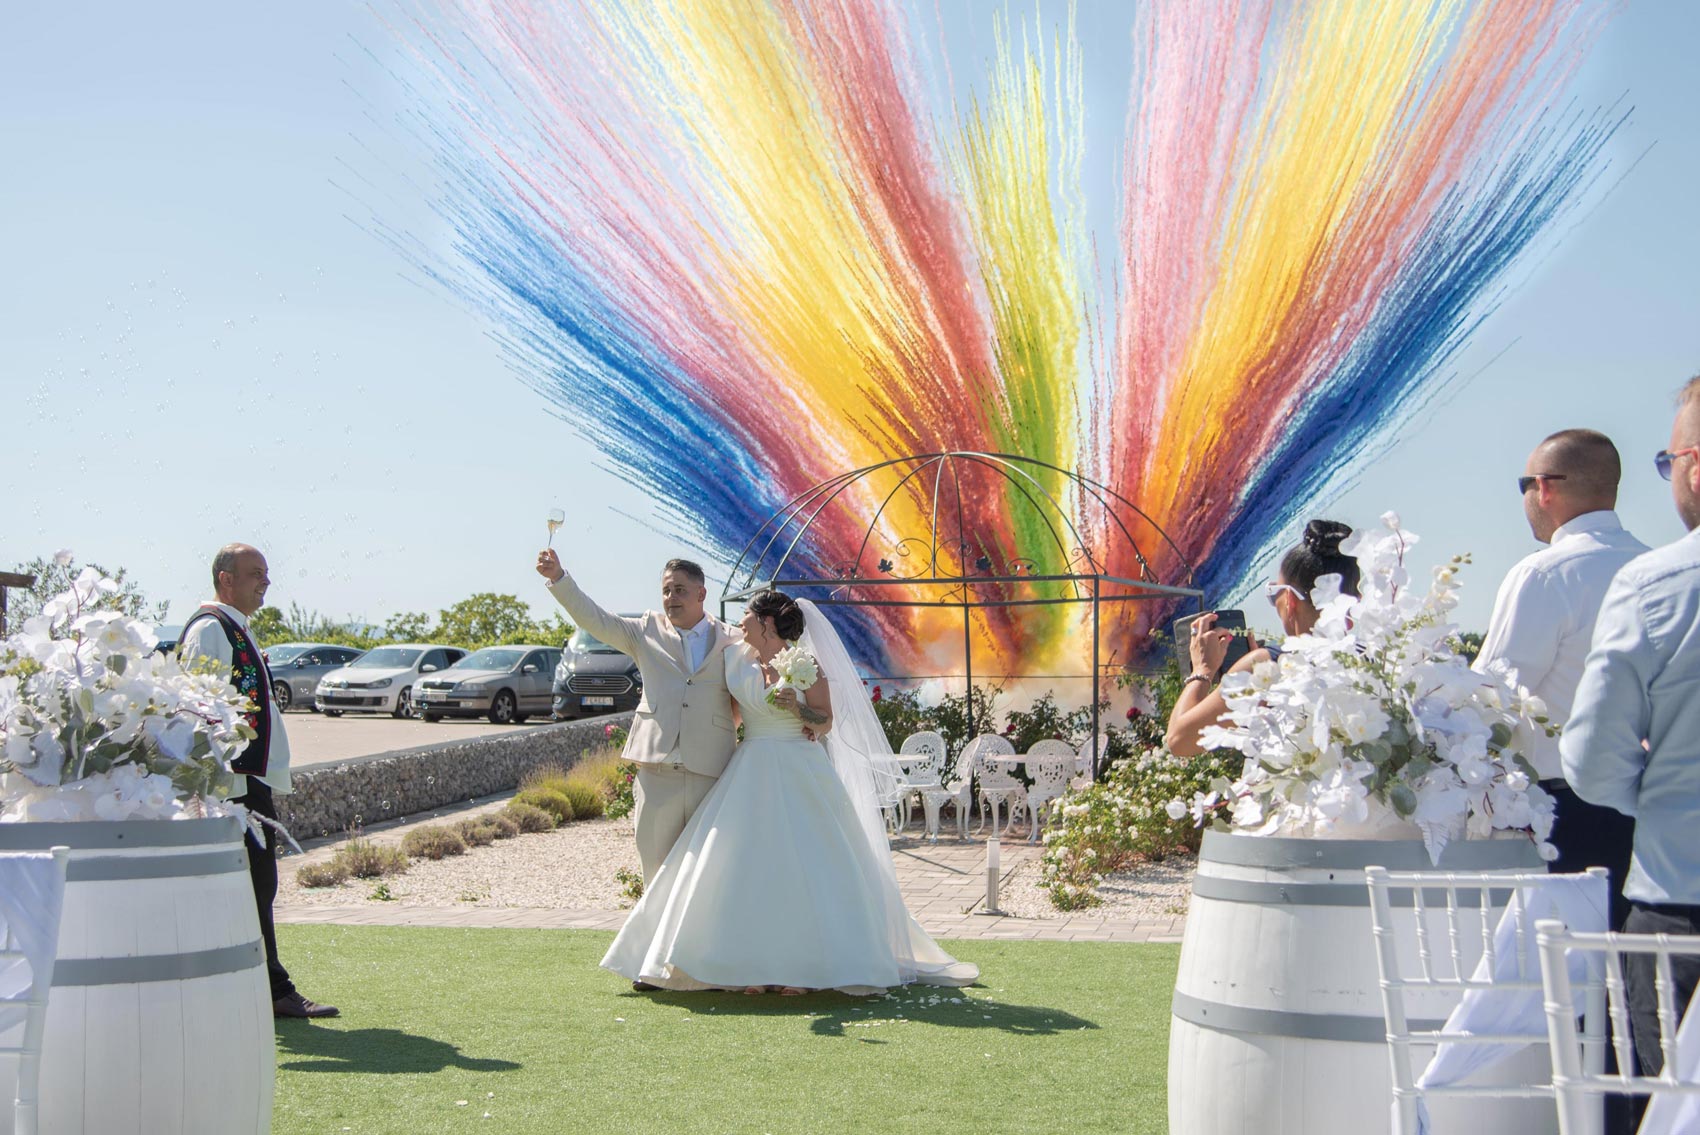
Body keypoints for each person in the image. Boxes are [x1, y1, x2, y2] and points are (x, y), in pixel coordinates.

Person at [599, 589, 978, 993]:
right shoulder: (734, 659)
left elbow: (826, 721)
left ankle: (807, 967)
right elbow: (724, 711)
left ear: (766, 622)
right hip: (749, 767)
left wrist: (798, 710)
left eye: (746, 615)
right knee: (743, 866)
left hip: (799, 765)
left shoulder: (805, 663)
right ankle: (744, 967)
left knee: (808, 864)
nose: (739, 621)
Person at [1563, 375, 1700, 1081]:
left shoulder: (1658, 585)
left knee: (1674, 1105)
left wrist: (1657, 794)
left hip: (1682, 904)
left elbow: (1590, 757)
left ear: (1694, 468)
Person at [536, 550, 741, 990]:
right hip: (656, 769)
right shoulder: (644, 630)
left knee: (708, 874)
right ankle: (651, 967)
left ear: (702, 594)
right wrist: (559, 579)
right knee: (655, 870)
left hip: (713, 769)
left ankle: (709, 965)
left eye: (680, 590)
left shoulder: (732, 638)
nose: (671, 597)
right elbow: (594, 618)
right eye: (666, 590)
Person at [1472, 429, 1648, 930]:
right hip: (1660, 812)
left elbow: (1491, 696)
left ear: (1545, 488)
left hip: (1570, 812)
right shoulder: (1660, 568)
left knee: (1572, 985)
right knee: (1643, 980)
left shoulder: (1545, 574)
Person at [179, 543, 338, 1020]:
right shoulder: (211, 630)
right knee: (254, 881)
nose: (264, 582)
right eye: (254, 574)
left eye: (266, 573)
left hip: (249, 779)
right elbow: (197, 707)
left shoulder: (234, 628)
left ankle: (253, 985)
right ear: (225, 579)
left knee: (256, 883)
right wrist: (214, 783)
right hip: (233, 783)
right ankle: (269, 988)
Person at [1166, 520, 1360, 758]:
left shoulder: (1268, 666)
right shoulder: (1372, 660)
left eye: (1273, 594)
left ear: (1289, 601)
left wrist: (1203, 670)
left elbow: (1179, 741)